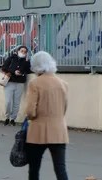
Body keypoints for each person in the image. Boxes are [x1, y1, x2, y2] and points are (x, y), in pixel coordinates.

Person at [25, 51, 69, 180]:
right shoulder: (63, 84)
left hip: (38, 131)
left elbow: (31, 111)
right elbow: (64, 108)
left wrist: (29, 116)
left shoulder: (35, 84)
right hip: (59, 130)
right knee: (60, 168)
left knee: (34, 168)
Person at [1, 45, 31, 126]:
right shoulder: (11, 58)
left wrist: (27, 63)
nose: (23, 53)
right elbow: (4, 67)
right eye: (22, 51)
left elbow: (28, 71)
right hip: (10, 82)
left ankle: (13, 119)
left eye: (25, 52)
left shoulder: (26, 61)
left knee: (16, 102)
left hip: (20, 83)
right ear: (18, 51)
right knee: (8, 101)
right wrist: (14, 72)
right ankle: (7, 117)